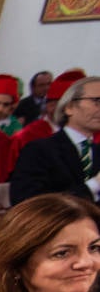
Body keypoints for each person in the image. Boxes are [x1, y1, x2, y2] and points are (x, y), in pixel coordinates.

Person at [11, 75, 100, 205]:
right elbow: (28, 202)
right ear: (69, 107)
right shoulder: (39, 150)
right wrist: (93, 185)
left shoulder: (97, 151)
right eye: (96, 101)